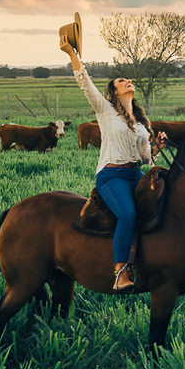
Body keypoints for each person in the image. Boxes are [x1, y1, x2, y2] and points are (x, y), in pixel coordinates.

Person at [61, 37, 164, 294]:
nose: (126, 81)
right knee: (127, 214)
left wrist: (156, 150)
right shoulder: (105, 110)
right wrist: (72, 54)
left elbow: (144, 159)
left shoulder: (141, 124)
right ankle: (120, 272)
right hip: (112, 175)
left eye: (128, 79)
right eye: (120, 81)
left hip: (135, 173)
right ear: (114, 92)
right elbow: (85, 83)